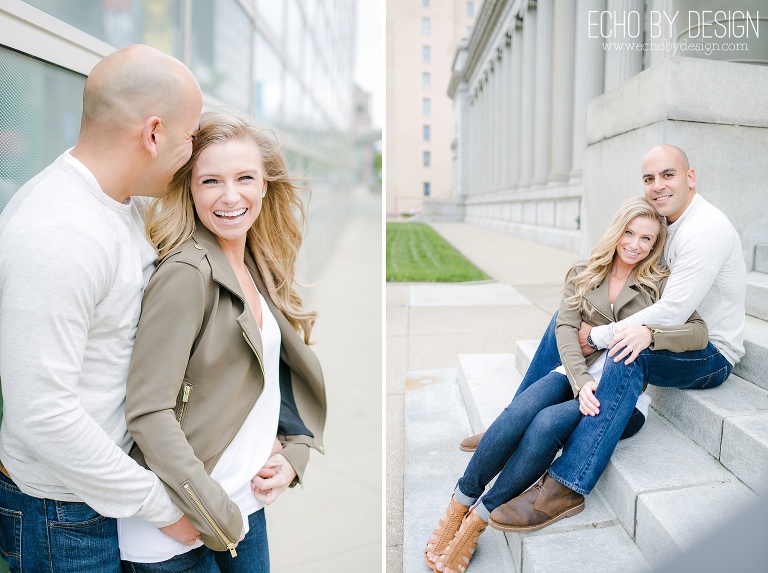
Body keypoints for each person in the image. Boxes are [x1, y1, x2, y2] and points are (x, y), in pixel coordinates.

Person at [0, 44, 203, 572]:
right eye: (189, 136)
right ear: (153, 133)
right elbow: (42, 414)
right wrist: (162, 507)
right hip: (60, 514)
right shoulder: (58, 234)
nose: (192, 150)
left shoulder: (123, 205)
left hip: (104, 492)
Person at [425, 197, 709, 573]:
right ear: (616, 231)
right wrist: (580, 382)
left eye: (646, 239)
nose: (635, 245)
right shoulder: (583, 272)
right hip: (578, 373)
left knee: (544, 425)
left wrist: (649, 335)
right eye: (629, 233)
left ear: (655, 245)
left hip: (621, 396)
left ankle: (475, 523)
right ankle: (456, 508)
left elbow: (699, 333)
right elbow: (565, 331)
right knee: (522, 410)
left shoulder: (660, 284)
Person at [490, 144, 745, 531]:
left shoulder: (706, 229)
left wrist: (600, 337)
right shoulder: (664, 223)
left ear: (690, 178)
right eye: (649, 178)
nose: (657, 186)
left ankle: (566, 485)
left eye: (668, 175)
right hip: (661, 333)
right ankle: (513, 422)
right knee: (567, 315)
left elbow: (675, 313)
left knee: (628, 350)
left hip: (705, 351)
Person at [117, 109, 326, 572]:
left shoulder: (255, 262)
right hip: (179, 525)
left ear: (265, 184)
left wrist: (294, 451)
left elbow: (269, 373)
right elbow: (148, 412)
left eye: (245, 177)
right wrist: (212, 513)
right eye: (211, 181)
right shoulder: (186, 275)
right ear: (190, 189)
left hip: (241, 500)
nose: (230, 197)